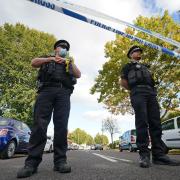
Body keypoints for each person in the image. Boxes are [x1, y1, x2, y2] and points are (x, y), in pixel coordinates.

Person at [17, 40, 81, 178]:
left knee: (61, 127)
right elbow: (33, 62)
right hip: (46, 91)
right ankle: (31, 164)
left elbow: (78, 74)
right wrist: (50, 59)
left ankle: (60, 161)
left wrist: (68, 62)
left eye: (65, 47)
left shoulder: (69, 62)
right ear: (55, 49)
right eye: (61, 46)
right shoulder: (47, 57)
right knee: (39, 125)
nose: (63, 48)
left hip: (63, 93)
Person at [120, 45, 180, 168]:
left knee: (156, 123)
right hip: (138, 92)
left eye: (139, 52)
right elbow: (123, 82)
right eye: (136, 51)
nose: (139, 53)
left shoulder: (146, 67)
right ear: (131, 54)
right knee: (142, 122)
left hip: (151, 93)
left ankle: (159, 155)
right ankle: (144, 155)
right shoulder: (127, 67)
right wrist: (133, 90)